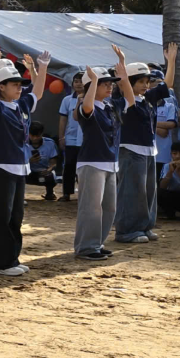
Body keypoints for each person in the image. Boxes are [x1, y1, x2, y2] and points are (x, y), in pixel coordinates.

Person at [0, 50, 50, 276]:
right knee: (1, 217)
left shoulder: (20, 105)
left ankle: (11, 258)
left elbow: (37, 92)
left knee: (16, 216)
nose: (20, 88)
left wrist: (42, 67)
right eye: (14, 84)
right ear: (1, 87)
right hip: (0, 168)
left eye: (20, 84)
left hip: (20, 168)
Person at [113, 45, 176, 244]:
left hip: (149, 151)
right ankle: (126, 231)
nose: (146, 85)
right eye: (141, 81)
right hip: (130, 151)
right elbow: (124, 85)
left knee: (148, 192)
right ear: (129, 82)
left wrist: (171, 61)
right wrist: (122, 64)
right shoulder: (123, 100)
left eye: (147, 81)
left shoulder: (148, 98)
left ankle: (144, 227)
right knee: (131, 192)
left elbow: (168, 85)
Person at [74, 62, 123, 260]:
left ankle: (97, 243)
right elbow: (87, 106)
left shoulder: (109, 106)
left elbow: (129, 99)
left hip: (110, 162)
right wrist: (93, 81)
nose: (110, 87)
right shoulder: (86, 106)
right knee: (91, 207)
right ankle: (86, 247)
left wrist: (123, 73)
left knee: (109, 207)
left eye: (111, 83)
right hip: (92, 162)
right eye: (105, 84)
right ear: (91, 87)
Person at [57, 73, 85, 201]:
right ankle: (67, 193)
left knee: (84, 167)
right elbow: (63, 119)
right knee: (69, 166)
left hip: (85, 139)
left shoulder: (91, 98)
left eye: (81, 81)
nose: (78, 84)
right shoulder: (67, 100)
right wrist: (61, 137)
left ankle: (84, 193)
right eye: (76, 81)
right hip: (71, 138)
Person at [153, 69, 179, 180]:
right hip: (148, 154)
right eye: (152, 81)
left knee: (161, 182)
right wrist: (158, 128)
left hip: (163, 154)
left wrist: (151, 124)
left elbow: (171, 124)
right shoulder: (144, 104)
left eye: (159, 82)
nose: (156, 85)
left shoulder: (169, 104)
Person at [26, 123, 59, 201]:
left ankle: (50, 193)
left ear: (42, 134)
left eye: (37, 136)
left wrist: (49, 169)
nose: (34, 138)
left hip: (43, 173)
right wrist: (28, 161)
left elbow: (53, 162)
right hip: (27, 172)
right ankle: (18, 195)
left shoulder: (50, 143)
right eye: (32, 136)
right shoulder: (22, 142)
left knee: (51, 175)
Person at [159, 141, 180, 219]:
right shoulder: (167, 166)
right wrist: (170, 172)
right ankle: (172, 214)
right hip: (173, 195)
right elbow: (162, 186)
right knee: (159, 193)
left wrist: (179, 172)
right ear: (171, 154)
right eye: (174, 153)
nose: (178, 157)